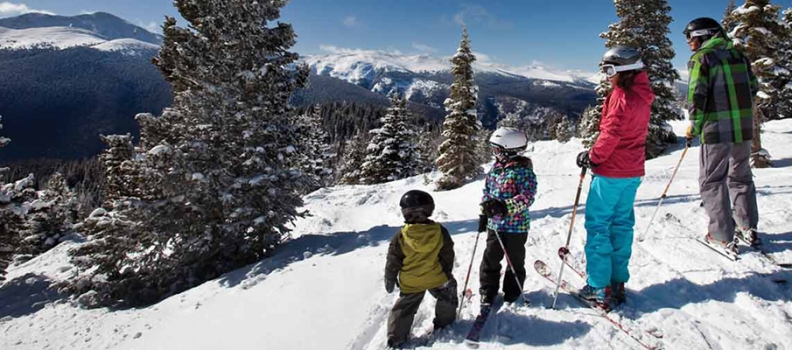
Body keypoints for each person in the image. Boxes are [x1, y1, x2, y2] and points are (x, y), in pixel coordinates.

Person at [575, 46, 654, 308]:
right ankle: (617, 282)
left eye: (609, 70)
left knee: (598, 226)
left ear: (624, 71)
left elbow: (611, 133)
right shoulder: (642, 95)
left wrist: (593, 156)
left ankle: (599, 287)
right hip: (632, 171)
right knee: (621, 224)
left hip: (611, 171)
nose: (606, 76)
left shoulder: (621, 96)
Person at [683, 17, 760, 252]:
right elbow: (754, 86)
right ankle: (748, 226)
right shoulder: (738, 55)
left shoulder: (702, 58)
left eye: (691, 36)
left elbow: (697, 95)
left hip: (716, 130)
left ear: (705, 35)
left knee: (712, 180)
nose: (688, 42)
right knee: (741, 176)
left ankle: (721, 234)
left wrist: (694, 126)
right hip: (744, 128)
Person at [384, 190, 457, 348]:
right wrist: (446, 272)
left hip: (411, 281)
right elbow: (447, 255)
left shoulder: (401, 236)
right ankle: (445, 322)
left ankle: (395, 337)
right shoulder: (439, 231)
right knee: (448, 291)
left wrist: (390, 277)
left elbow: (393, 259)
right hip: (436, 277)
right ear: (429, 210)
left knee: (404, 306)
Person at [478, 127, 538, 307]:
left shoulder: (524, 172)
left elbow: (527, 197)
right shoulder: (495, 169)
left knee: (515, 260)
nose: (494, 153)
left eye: (496, 149)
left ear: (508, 151)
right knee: (490, 258)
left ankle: (512, 291)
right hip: (494, 225)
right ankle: (488, 290)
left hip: (516, 227)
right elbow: (487, 193)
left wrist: (504, 206)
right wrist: (484, 212)